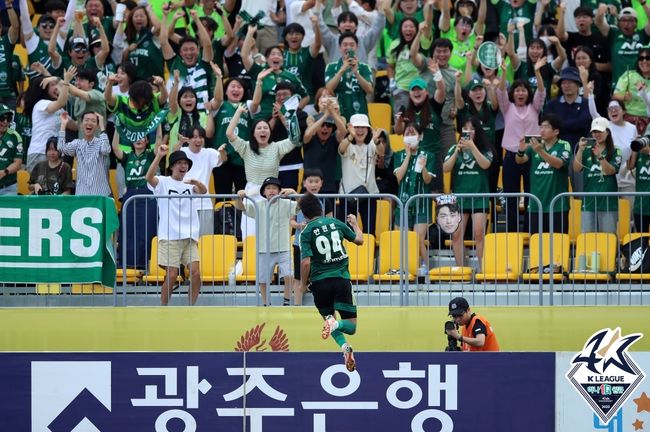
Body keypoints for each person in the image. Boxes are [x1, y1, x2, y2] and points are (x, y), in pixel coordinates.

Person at [299, 191, 364, 372]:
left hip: (319, 283)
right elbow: (360, 240)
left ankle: (344, 348)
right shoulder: (336, 223)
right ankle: (336, 326)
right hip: (341, 279)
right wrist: (355, 225)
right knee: (350, 326)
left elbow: (305, 262)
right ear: (321, 208)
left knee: (329, 318)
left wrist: (303, 284)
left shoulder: (306, 232)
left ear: (304, 215)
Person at [146, 146, 208, 306]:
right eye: (179, 163)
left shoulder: (190, 185)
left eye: (185, 163)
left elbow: (203, 191)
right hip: (169, 237)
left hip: (189, 237)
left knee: (195, 273)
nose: (183, 166)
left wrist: (197, 182)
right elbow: (149, 177)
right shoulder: (163, 182)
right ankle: (164, 308)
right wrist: (159, 155)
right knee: (172, 275)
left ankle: (190, 308)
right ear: (172, 166)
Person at [235, 177, 297, 307]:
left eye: (274, 188)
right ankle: (266, 304)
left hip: (283, 248)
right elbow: (241, 208)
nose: (271, 191)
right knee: (263, 280)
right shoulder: (258, 205)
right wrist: (238, 196)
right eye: (268, 188)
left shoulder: (286, 204)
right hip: (264, 249)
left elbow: (303, 206)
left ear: (280, 190)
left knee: (290, 276)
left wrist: (295, 193)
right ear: (263, 192)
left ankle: (286, 301)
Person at [444, 117, 493, 267]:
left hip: (479, 197)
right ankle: (461, 270)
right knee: (456, 234)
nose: (468, 132)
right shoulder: (454, 149)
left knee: (479, 234)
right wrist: (456, 152)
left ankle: (483, 270)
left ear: (477, 131)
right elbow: (445, 168)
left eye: (472, 129)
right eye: (465, 128)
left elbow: (486, 165)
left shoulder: (485, 148)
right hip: (459, 198)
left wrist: (472, 147)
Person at [515, 114, 572, 234]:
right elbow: (520, 160)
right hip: (536, 204)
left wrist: (540, 151)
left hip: (557, 205)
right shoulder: (534, 147)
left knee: (558, 243)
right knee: (537, 243)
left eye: (546, 127)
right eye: (540, 127)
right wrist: (521, 150)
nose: (542, 130)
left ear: (556, 131)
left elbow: (558, 164)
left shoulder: (564, 145)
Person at [393, 122, 435, 275]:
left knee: (418, 240)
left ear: (421, 136)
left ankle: (426, 268)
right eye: (407, 134)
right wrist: (408, 155)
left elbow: (428, 180)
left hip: (421, 205)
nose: (410, 136)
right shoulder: (399, 155)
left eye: (413, 133)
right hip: (402, 203)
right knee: (403, 241)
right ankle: (404, 268)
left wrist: (423, 167)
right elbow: (399, 176)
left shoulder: (428, 155)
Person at [574, 117, 622, 234]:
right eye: (594, 132)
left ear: (608, 132)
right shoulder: (586, 150)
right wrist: (580, 150)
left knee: (608, 237)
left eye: (600, 131)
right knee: (587, 238)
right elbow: (577, 168)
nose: (596, 134)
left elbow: (610, 171)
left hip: (608, 202)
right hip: (589, 201)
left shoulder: (616, 150)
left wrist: (600, 157)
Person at [58, 111, 111, 196]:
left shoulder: (100, 142)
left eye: (93, 121)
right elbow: (61, 148)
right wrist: (63, 125)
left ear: (97, 126)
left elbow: (106, 150)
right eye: (86, 120)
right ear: (81, 124)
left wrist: (102, 126)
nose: (89, 123)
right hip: (82, 193)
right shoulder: (77, 143)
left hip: (100, 193)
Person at [324, 32, 374, 121]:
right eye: (345, 45)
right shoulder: (331, 67)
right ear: (339, 47)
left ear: (357, 47)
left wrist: (357, 73)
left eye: (352, 45)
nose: (348, 48)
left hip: (360, 113)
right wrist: (342, 70)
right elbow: (328, 88)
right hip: (338, 114)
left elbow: (369, 90)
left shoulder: (364, 67)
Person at [0, 105, 23, 196]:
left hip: (8, 188)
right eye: (2, 118)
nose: (5, 122)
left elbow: (18, 163)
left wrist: (4, 172)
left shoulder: (15, 136)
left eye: (8, 119)